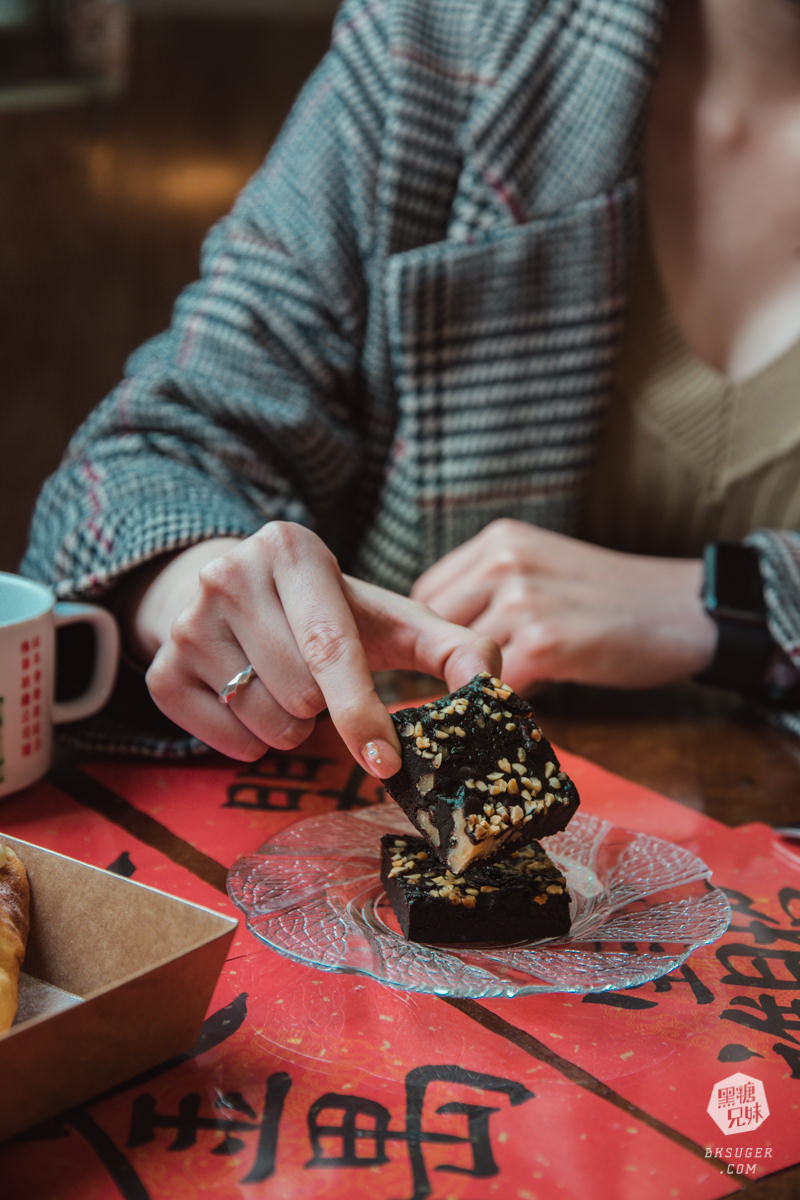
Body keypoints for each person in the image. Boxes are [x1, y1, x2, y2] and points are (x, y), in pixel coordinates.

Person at [22, 0, 800, 774]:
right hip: (375, 816)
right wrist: (204, 586)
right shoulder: (435, 48)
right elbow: (141, 460)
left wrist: (744, 605)